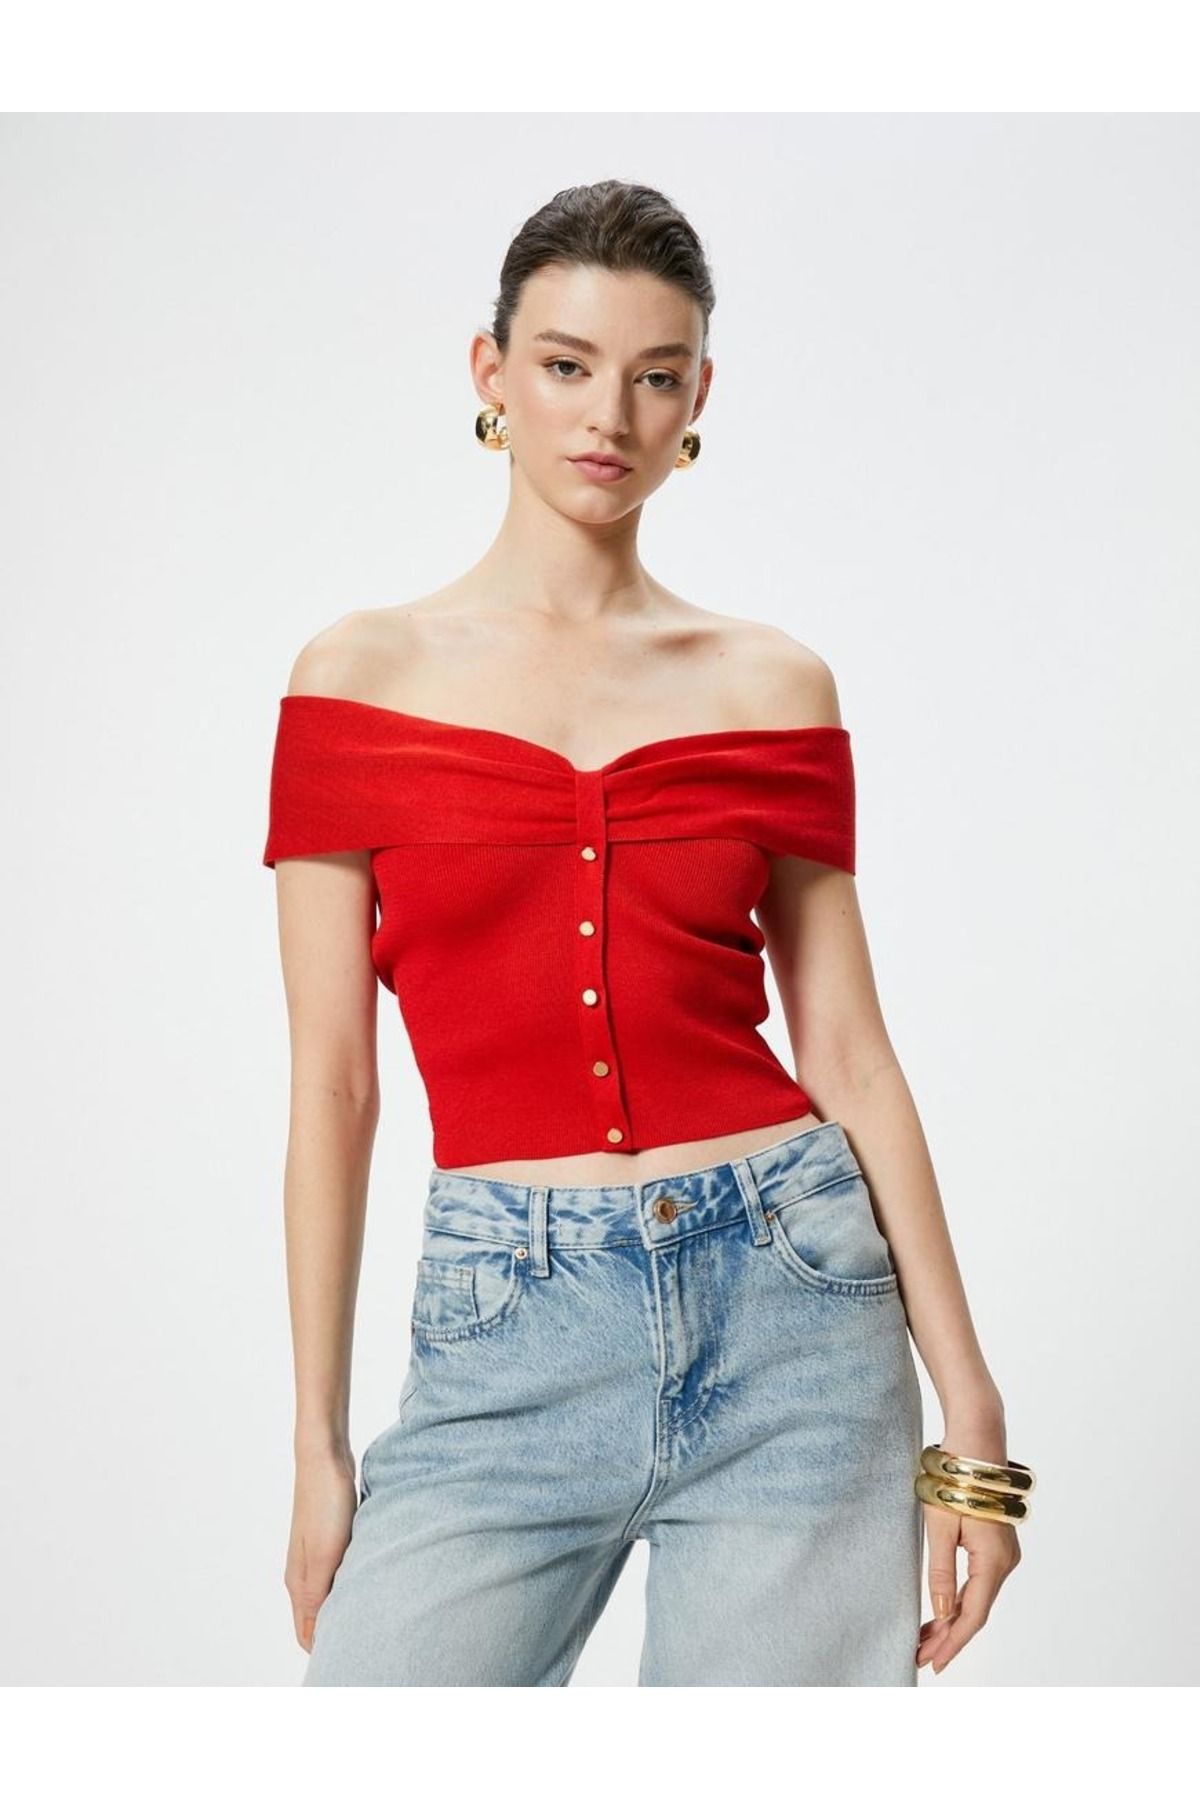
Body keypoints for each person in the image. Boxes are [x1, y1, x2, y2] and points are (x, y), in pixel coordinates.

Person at [261, 178, 1028, 1687]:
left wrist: (974, 1423)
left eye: (654, 376)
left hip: (796, 1314)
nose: (608, 416)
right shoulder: (354, 680)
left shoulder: (770, 684)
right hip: (505, 1323)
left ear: (697, 401)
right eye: (566, 365)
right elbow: (334, 1086)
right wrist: (317, 1443)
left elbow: (853, 1058)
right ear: (491, 374)